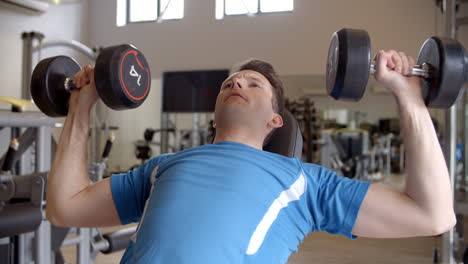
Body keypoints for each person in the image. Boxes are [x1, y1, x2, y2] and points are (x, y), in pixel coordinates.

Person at [46, 50, 456, 263]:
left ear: (276, 120)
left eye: (253, 83)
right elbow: (64, 207)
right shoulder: (163, 167)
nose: (237, 80)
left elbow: (433, 214)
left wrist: (408, 96)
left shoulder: (303, 183)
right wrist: (81, 106)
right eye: (231, 80)